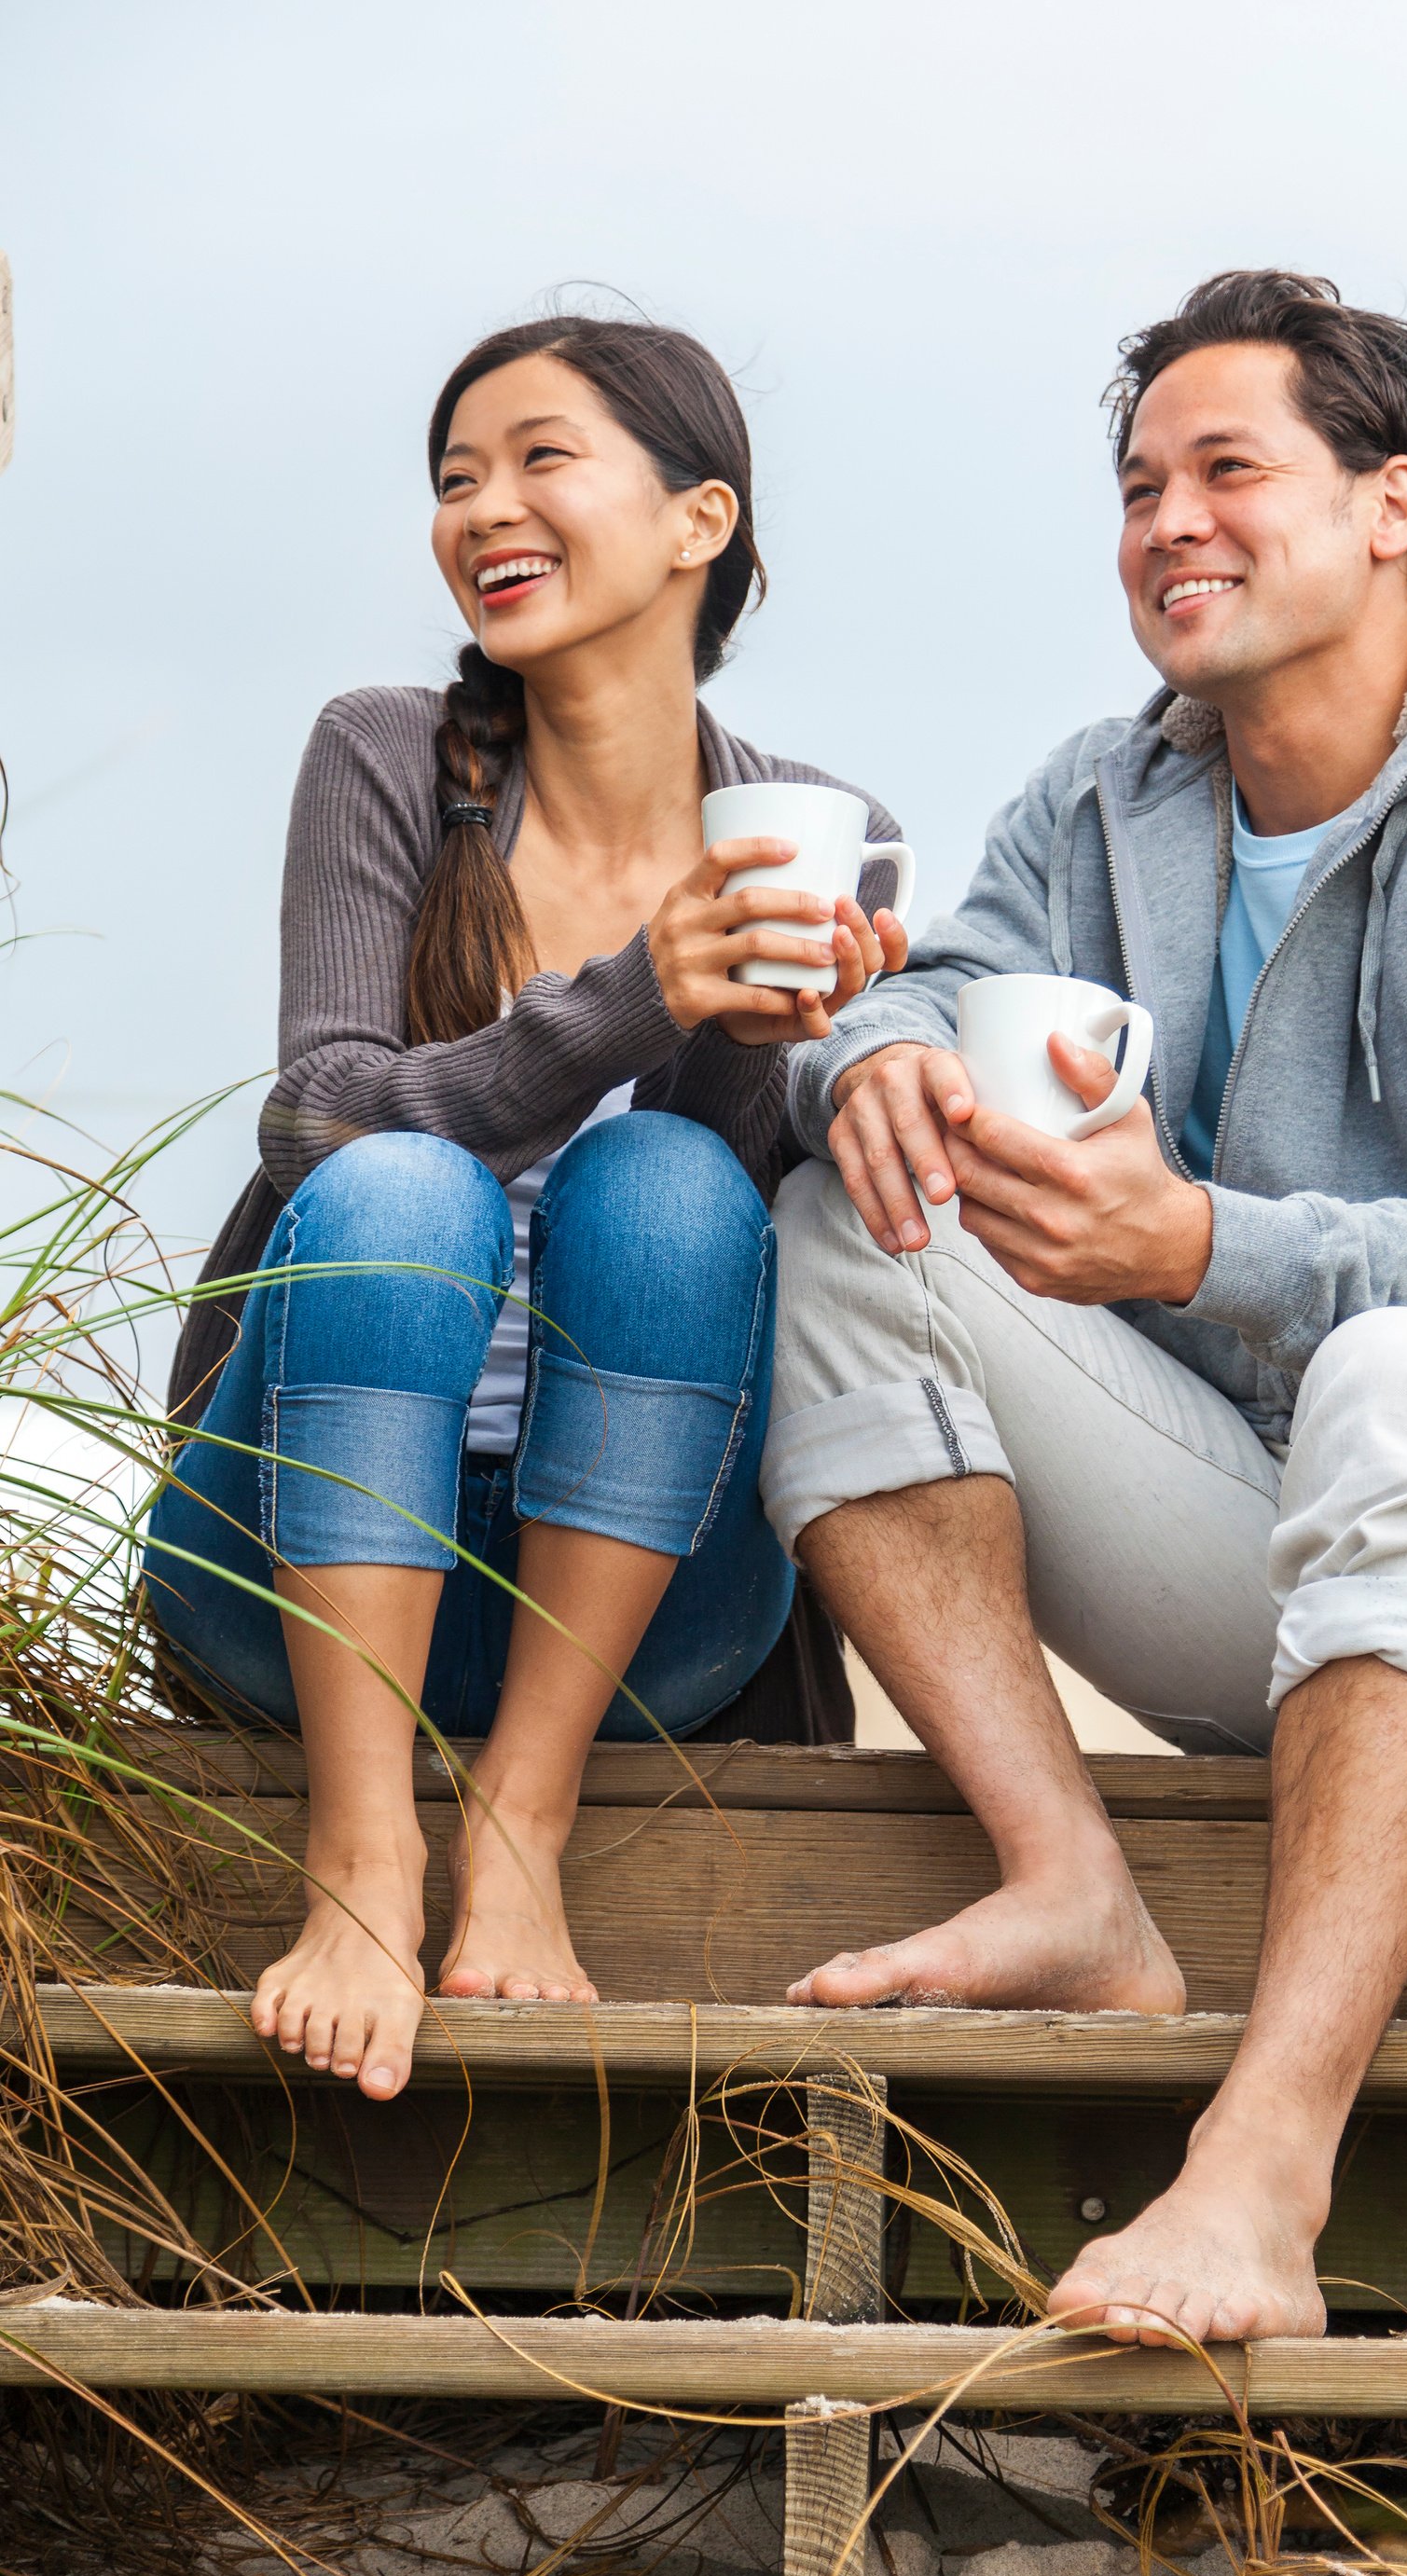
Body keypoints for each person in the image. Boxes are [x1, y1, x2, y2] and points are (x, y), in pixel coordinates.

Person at [760, 269, 1407, 2345]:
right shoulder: (1111, 793)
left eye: (1229, 468)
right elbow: (942, 980)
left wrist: (1196, 1244)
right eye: (1139, 485)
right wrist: (871, 1060)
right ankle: (1072, 1888)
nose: (1166, 524)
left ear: (1394, 506)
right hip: (1283, 1548)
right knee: (848, 1218)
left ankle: (1262, 2168)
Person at [145, 314, 905, 2105]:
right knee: (400, 1180)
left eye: (540, 457)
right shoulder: (389, 755)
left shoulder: (819, 825)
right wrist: (639, 991)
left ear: (697, 518)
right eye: (455, 477)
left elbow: (721, 1233)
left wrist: (772, 1045)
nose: (483, 506)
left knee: (671, 1179)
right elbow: (314, 1115)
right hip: (298, 1577)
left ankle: (521, 1823)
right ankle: (362, 1859)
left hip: (642, 1621)